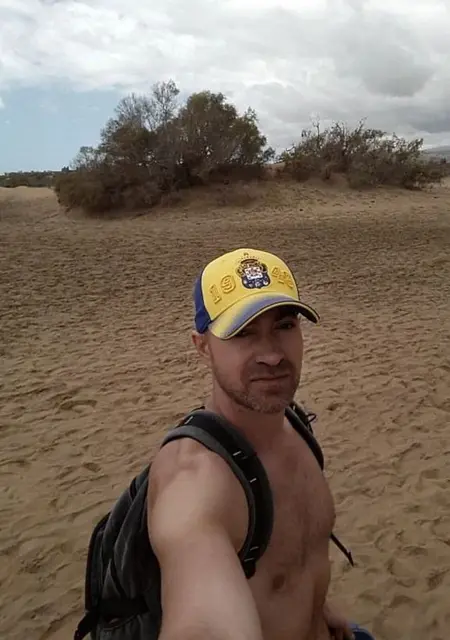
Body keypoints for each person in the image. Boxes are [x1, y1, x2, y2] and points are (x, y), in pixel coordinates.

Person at [147, 248, 359, 640]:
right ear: (202, 346)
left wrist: (319, 608)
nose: (272, 355)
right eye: (243, 333)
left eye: (284, 325)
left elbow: (292, 560)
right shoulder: (197, 479)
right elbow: (203, 619)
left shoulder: (293, 423)